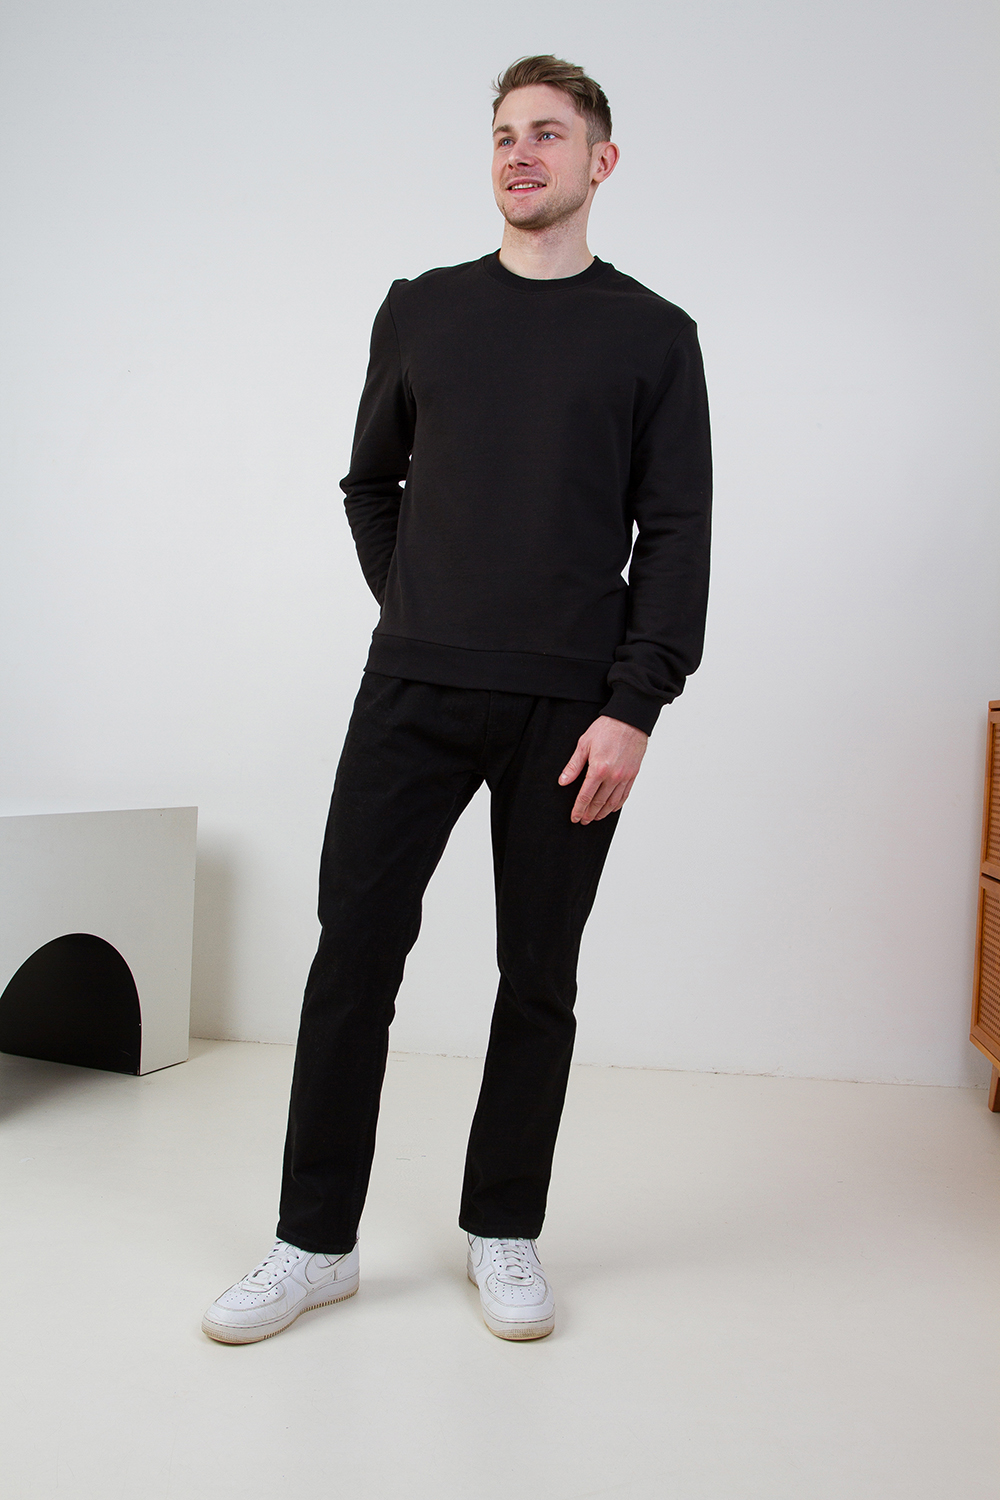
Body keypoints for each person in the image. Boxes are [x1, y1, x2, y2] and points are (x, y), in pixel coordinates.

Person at [202, 53, 712, 1345]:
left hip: (572, 713)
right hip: (413, 692)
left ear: (601, 160)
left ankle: (504, 1227)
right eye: (502, 134)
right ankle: (313, 1244)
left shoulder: (654, 334)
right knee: (352, 963)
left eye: (548, 133)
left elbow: (677, 531)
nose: (519, 153)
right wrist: (417, 603)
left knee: (538, 976)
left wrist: (636, 705)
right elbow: (369, 483)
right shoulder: (421, 309)